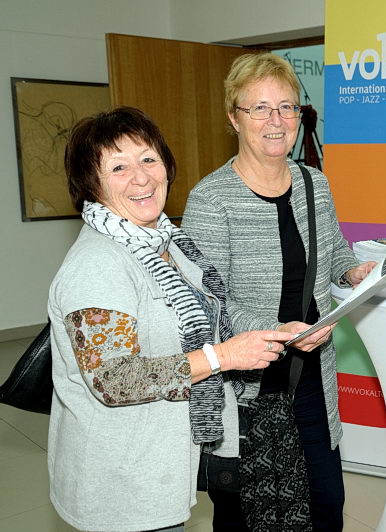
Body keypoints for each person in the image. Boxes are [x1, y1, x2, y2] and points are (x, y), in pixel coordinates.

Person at [48, 107, 294, 532]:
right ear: (91, 184)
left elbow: (213, 314)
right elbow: (114, 379)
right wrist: (221, 358)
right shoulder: (98, 264)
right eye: (119, 167)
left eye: (149, 159)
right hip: (120, 481)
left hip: (162, 461)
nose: (141, 178)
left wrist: (273, 332)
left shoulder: (169, 241)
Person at [182, 52, 375, 532]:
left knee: (325, 505)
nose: (276, 120)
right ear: (234, 118)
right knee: (248, 516)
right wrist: (277, 331)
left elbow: (333, 251)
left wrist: (354, 272)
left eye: (287, 107)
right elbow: (207, 303)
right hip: (245, 388)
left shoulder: (315, 184)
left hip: (311, 376)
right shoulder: (211, 199)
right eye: (260, 108)